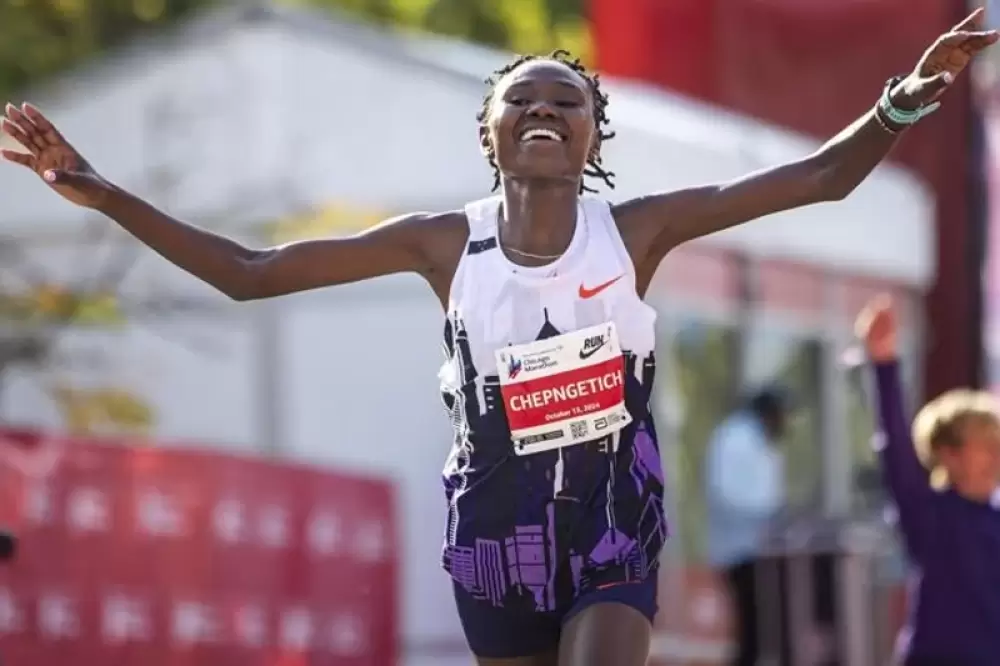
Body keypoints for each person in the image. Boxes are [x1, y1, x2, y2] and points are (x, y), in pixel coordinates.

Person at [1, 14, 995, 666]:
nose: (545, 112)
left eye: (567, 102)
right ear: (489, 131)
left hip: (611, 522)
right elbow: (250, 273)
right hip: (492, 534)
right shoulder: (444, 243)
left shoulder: (634, 230)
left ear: (593, 139)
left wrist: (905, 94)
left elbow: (816, 180)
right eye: (522, 98)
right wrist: (98, 190)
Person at [858, 297, 1000, 666]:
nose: (996, 458)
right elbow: (895, 454)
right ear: (948, 454)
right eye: (984, 447)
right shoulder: (930, 516)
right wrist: (884, 365)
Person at [705, 388, 789, 666]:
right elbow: (727, 495)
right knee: (753, 635)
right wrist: (770, 513)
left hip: (759, 550)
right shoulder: (737, 440)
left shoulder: (756, 440)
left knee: (763, 634)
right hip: (742, 551)